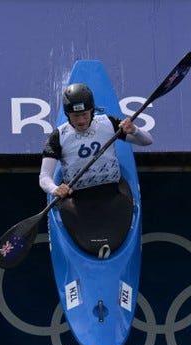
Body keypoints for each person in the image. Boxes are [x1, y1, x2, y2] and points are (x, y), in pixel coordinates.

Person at [39, 83, 153, 255]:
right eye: (75, 116)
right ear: (67, 114)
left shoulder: (109, 123)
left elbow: (147, 141)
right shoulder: (58, 137)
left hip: (113, 193)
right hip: (78, 200)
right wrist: (56, 189)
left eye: (85, 114)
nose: (81, 121)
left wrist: (135, 130)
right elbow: (44, 177)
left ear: (92, 111)